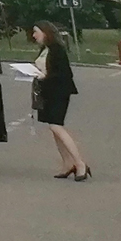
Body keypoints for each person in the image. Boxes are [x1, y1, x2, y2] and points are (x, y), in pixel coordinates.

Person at [30, 21, 88, 179]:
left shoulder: (57, 50)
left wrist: (45, 76)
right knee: (54, 128)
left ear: (46, 32)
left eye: (36, 32)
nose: (34, 35)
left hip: (59, 92)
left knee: (56, 126)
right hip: (47, 92)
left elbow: (65, 74)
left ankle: (79, 163)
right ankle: (67, 164)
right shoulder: (45, 50)